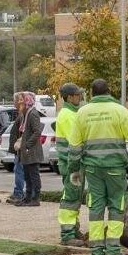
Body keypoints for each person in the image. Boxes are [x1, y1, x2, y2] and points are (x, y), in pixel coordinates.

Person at [67, 78, 128, 255]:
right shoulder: (120, 111)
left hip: (93, 170)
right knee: (116, 208)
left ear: (91, 93)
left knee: (95, 209)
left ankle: (96, 254)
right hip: (114, 169)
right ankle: (112, 252)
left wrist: (73, 169)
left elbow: (74, 147)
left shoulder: (82, 113)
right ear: (109, 91)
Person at [53, 83, 87, 245]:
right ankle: (67, 235)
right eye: (77, 95)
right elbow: (76, 140)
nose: (80, 97)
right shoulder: (68, 115)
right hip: (71, 164)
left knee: (75, 197)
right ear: (69, 97)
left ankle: (73, 229)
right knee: (71, 197)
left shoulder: (71, 113)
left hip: (73, 163)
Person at [8, 96, 44, 206]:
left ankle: (35, 198)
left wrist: (27, 145)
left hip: (31, 150)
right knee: (27, 176)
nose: (19, 104)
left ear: (27, 102)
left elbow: (37, 131)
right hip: (25, 151)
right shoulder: (25, 114)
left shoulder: (32, 114)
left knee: (33, 175)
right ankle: (28, 197)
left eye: (21, 101)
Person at [6, 92, 31, 201]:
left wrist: (20, 145)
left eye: (19, 100)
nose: (16, 102)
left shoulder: (24, 115)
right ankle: (20, 192)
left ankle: (19, 193)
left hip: (21, 148)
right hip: (19, 148)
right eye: (17, 100)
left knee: (19, 170)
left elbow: (24, 132)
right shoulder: (21, 114)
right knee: (20, 170)